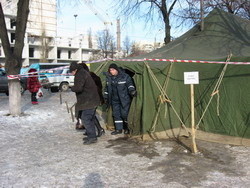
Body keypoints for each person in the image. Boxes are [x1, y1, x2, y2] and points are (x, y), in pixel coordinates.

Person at [70, 62, 100, 145]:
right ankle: (92, 135)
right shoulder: (83, 72)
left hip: (89, 100)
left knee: (86, 118)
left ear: (75, 70)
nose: (72, 74)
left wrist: (72, 88)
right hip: (91, 99)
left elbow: (79, 88)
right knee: (89, 118)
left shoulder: (80, 74)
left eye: (72, 72)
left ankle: (92, 137)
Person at [104, 63, 136, 135]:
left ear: (116, 70)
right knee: (116, 114)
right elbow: (107, 89)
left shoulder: (125, 77)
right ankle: (119, 129)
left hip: (124, 99)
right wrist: (105, 97)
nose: (111, 71)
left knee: (125, 114)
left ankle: (127, 128)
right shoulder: (109, 78)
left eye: (112, 70)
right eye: (110, 70)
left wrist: (132, 91)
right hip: (114, 100)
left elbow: (130, 85)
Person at [79, 63, 105, 137]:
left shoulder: (91, 77)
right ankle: (94, 130)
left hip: (93, 99)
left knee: (89, 116)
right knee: (90, 115)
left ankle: (97, 130)